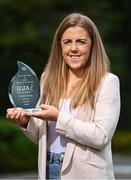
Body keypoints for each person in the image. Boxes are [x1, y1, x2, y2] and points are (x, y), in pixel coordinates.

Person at [6, 13, 120, 179]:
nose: (73, 48)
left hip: (86, 174)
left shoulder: (107, 82)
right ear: (60, 45)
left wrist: (59, 117)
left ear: (92, 45)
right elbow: (39, 135)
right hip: (48, 169)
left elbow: (101, 136)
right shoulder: (47, 78)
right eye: (67, 42)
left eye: (81, 41)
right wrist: (26, 122)